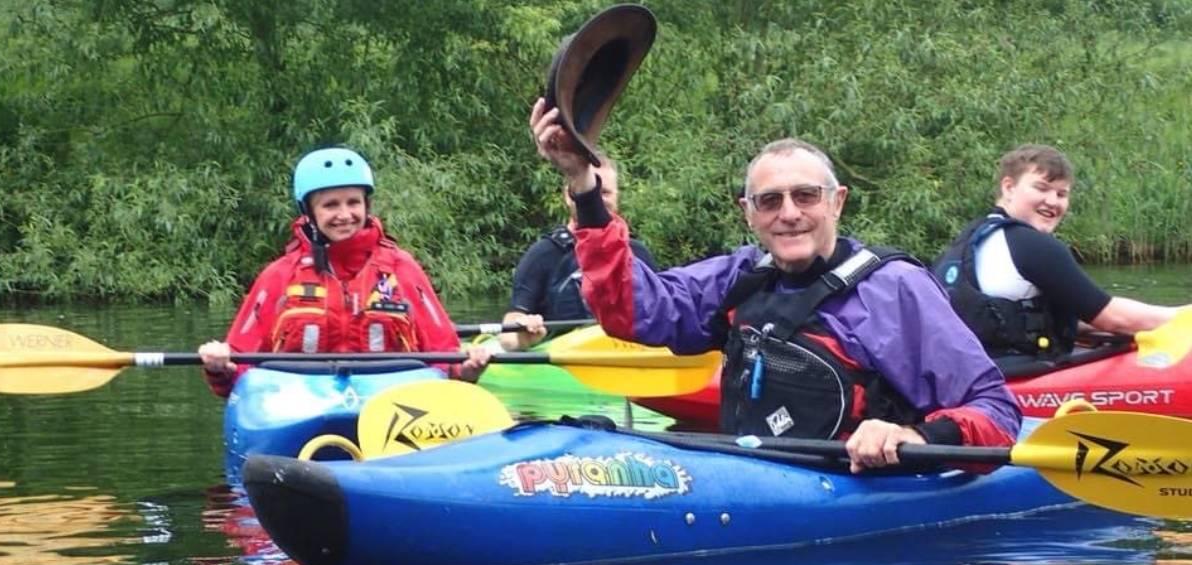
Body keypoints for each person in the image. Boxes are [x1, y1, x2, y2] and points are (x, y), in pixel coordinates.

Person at [529, 98, 1022, 473]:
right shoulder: (737, 278)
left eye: (806, 196)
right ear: (749, 214)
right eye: (769, 201)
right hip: (757, 476)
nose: (789, 213)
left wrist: (910, 434)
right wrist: (584, 188)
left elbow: (997, 414)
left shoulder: (896, 290)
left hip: (863, 500)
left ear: (837, 202)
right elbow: (628, 310)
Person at [198, 146, 490, 396]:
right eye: (330, 205)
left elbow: (446, 359)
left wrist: (467, 367)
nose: (344, 215)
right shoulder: (280, 275)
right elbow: (237, 373)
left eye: (353, 202)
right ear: (310, 213)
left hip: (391, 410)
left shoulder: (401, 268)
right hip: (298, 406)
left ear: (367, 205)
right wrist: (219, 366)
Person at [933, 144, 1189, 361]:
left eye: (1061, 193)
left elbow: (1029, 316)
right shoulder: (1029, 244)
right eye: (1041, 188)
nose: (1053, 201)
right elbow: (1113, 318)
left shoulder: (971, 238)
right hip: (1012, 383)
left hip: (974, 372)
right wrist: (1185, 317)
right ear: (1009, 187)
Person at [498, 156, 659, 350]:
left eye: (605, 192)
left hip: (629, 358)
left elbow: (662, 313)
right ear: (568, 195)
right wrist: (520, 334)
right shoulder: (542, 254)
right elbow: (511, 326)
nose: (596, 200)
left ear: (617, 196)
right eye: (590, 191)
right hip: (563, 365)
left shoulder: (638, 253)